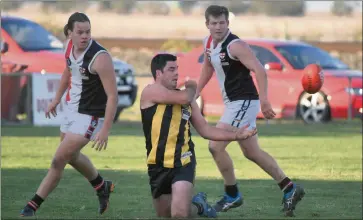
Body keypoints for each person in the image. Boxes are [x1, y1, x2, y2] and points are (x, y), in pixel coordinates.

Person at [196, 5, 305, 217]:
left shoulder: (235, 45)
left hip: (243, 101)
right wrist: (196, 92)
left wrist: (265, 101)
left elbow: (259, 70)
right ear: (207, 24)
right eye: (214, 23)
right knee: (252, 152)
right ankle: (289, 188)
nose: (218, 27)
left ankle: (232, 194)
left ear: (228, 23)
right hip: (234, 103)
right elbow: (208, 66)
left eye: (222, 22)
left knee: (215, 146)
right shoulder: (208, 42)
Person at [20, 12, 118, 217]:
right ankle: (101, 186)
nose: (85, 36)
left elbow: (112, 96)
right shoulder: (69, 48)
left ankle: (32, 206)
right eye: (80, 32)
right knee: (71, 156)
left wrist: (105, 129)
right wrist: (56, 99)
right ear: (69, 33)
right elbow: (68, 71)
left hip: (90, 116)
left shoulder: (100, 58)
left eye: (88, 32)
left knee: (58, 159)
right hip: (71, 109)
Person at [140, 53, 257, 218]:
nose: (176, 73)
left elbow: (205, 130)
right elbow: (185, 96)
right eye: (171, 69)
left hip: (183, 162)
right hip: (157, 164)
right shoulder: (151, 92)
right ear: (158, 74)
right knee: (165, 213)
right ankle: (199, 206)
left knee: (179, 214)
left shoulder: (187, 101)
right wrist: (193, 87)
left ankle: (193, 206)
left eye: (177, 69)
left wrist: (237, 134)